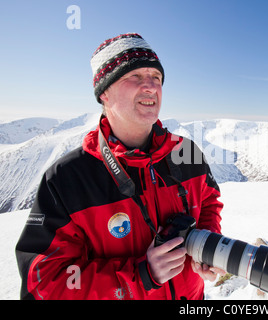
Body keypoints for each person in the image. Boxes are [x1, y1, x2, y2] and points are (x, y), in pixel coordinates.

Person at [15, 33, 225, 300]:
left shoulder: (186, 152)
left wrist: (207, 245)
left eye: (156, 78)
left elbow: (209, 202)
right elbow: (45, 282)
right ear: (104, 92)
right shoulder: (66, 179)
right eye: (134, 76)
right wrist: (140, 276)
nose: (150, 86)